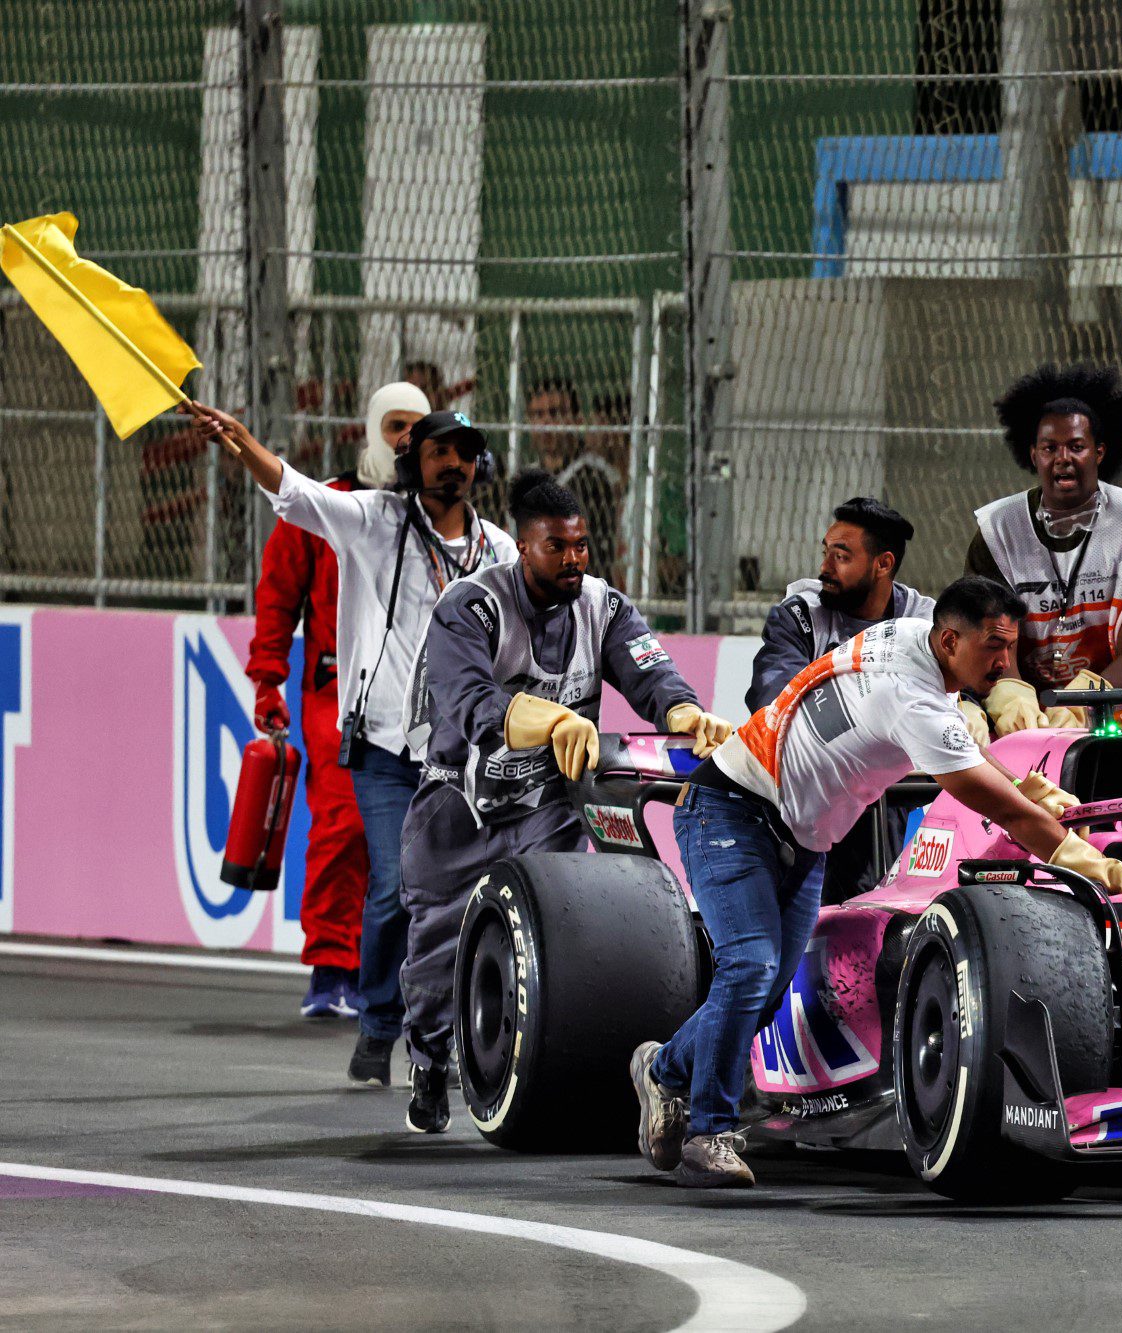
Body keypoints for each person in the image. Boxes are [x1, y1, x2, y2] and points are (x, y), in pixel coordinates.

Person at [629, 575, 1122, 1188]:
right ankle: (709, 1134)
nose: (1006, 661)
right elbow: (1001, 808)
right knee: (750, 966)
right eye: (993, 646)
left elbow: (966, 746)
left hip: (804, 839)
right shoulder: (908, 696)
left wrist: (1033, 789)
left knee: (765, 987)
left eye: (1011, 645)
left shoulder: (919, 643)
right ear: (949, 640)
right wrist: (1103, 869)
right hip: (729, 807)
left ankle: (664, 1070)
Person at [180, 400, 516, 1087]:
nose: (452, 463)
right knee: (398, 886)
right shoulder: (374, 520)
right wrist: (240, 439)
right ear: (411, 464)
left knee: (460, 894)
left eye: (464, 452)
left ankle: (434, 1037)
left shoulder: (500, 551)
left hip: (461, 757)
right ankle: (379, 1021)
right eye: (437, 451)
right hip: (383, 746)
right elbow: (291, 491)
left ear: (479, 464)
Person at [395, 470, 733, 1133]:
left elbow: (652, 673)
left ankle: (552, 1070)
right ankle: (431, 1061)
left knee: (562, 943)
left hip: (548, 808)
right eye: (558, 547)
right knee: (438, 953)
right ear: (523, 547)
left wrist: (689, 713)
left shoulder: (604, 606)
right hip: (458, 807)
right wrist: (551, 720)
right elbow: (467, 705)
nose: (575, 558)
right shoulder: (469, 607)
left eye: (581, 544)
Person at [245, 381, 428, 1018]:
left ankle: (394, 977)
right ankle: (330, 968)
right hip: (337, 693)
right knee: (343, 824)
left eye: (416, 425)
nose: (406, 436)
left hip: (418, 700)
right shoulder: (331, 505)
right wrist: (267, 679)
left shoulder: (438, 513)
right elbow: (278, 594)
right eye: (395, 424)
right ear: (373, 426)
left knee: (415, 846)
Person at [966, 363, 1122, 750]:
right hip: (1027, 709)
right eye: (1050, 448)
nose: (1062, 457)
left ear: (1099, 452)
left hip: (1115, 704)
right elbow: (989, 634)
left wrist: (1087, 698)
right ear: (1033, 454)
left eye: (1076, 446)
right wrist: (1014, 694)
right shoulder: (997, 530)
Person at [747, 497, 936, 904]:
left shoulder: (926, 623)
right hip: (813, 787)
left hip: (899, 790)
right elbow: (774, 701)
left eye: (841, 556)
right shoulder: (800, 614)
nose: (824, 568)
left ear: (882, 564)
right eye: (826, 552)